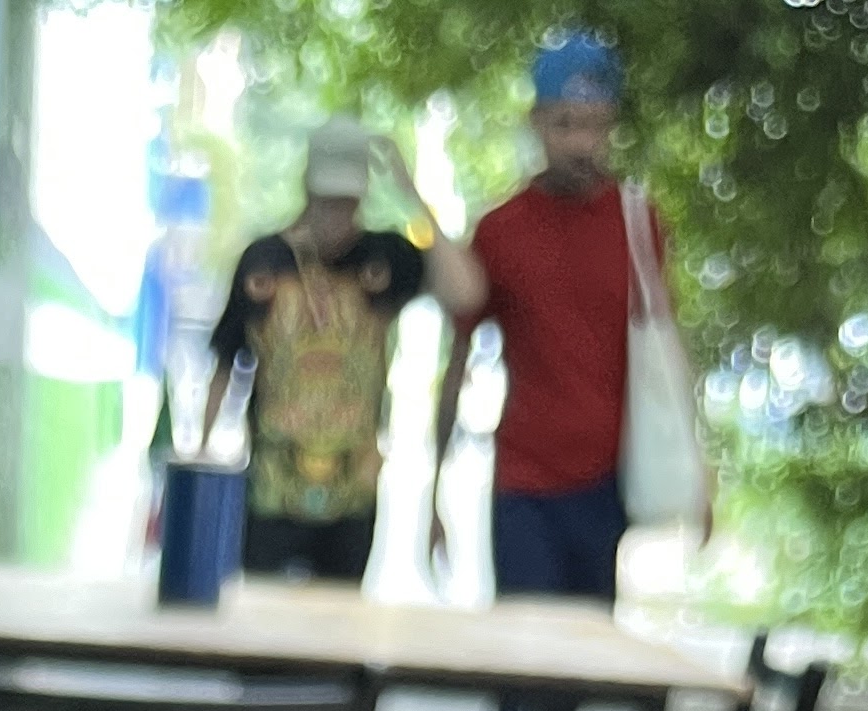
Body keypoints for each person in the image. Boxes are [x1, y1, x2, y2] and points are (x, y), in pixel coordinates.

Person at [201, 118, 483, 584]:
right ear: (307, 189)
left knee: (337, 636)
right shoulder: (265, 260)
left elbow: (466, 292)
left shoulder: (386, 258)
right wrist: (201, 453)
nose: (337, 214)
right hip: (272, 492)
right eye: (327, 200)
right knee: (261, 635)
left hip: (353, 498)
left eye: (348, 202)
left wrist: (411, 195)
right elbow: (226, 362)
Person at [428, 38, 656, 607]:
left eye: (597, 127)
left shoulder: (638, 224)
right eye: (566, 125)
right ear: (536, 123)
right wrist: (434, 489)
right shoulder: (501, 230)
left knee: (582, 672)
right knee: (526, 669)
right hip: (524, 482)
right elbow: (456, 360)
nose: (583, 144)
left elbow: (664, 354)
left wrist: (693, 472)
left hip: (609, 483)